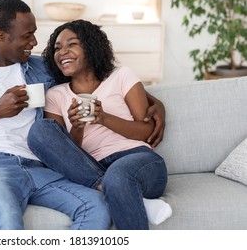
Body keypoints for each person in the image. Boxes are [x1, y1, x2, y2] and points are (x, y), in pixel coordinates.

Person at [0, 0, 165, 230]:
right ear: (0, 36)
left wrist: (156, 102)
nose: (34, 42)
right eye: (26, 36)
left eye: (34, 33)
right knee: (7, 224)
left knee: (96, 208)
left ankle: (114, 191)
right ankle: (113, 189)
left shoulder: (42, 68)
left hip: (40, 165)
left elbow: (92, 74)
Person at [27, 19, 171, 230]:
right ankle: (114, 191)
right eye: (57, 48)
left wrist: (104, 118)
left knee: (119, 175)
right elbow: (65, 156)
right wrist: (77, 127)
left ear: (91, 46)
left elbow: (147, 132)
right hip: (91, 168)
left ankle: (113, 188)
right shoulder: (56, 95)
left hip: (138, 160)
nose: (62, 52)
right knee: (40, 130)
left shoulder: (121, 76)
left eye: (71, 44)